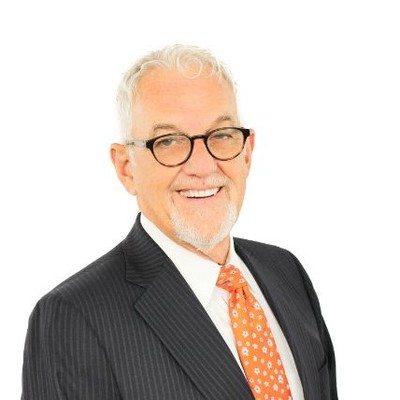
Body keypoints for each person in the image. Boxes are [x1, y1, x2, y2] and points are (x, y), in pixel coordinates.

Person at [22, 44, 338, 400]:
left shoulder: (286, 272)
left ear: (247, 152)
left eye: (221, 135)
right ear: (126, 168)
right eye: (168, 141)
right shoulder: (73, 317)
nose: (203, 166)